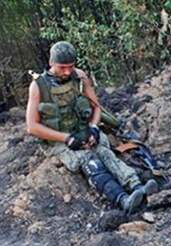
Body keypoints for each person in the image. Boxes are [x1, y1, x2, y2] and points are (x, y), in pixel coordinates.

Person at [25, 41, 157, 213]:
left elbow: (96, 107)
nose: (67, 72)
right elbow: (32, 127)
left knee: (104, 153)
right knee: (89, 160)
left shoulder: (79, 77)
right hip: (58, 140)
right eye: (62, 67)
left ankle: (137, 186)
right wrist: (67, 138)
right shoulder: (38, 86)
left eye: (70, 67)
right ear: (51, 63)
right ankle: (122, 200)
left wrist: (93, 128)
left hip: (83, 131)